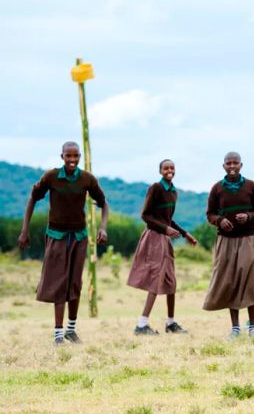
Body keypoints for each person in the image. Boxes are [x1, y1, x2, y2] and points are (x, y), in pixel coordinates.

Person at [18, 141, 109, 345]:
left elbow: (104, 203)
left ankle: (71, 330)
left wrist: (103, 228)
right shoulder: (51, 177)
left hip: (78, 237)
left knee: (75, 283)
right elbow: (33, 198)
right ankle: (58, 334)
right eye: (68, 156)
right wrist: (25, 230)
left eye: (76, 156)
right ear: (62, 157)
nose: (72, 160)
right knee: (59, 282)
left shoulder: (87, 179)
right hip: (57, 236)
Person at [127, 159, 198, 335]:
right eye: (166, 168)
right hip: (153, 238)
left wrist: (185, 234)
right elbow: (145, 215)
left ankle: (170, 323)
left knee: (170, 281)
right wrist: (165, 229)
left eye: (172, 167)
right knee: (155, 279)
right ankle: (141, 325)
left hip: (165, 239)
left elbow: (168, 219)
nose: (169, 170)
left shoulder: (173, 192)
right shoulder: (156, 188)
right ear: (160, 171)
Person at [203, 152, 254, 338]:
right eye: (228, 163)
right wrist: (219, 220)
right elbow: (210, 214)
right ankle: (235, 328)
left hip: (248, 239)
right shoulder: (217, 189)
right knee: (229, 281)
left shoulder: (251, 187)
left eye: (235, 163)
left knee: (248, 279)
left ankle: (252, 326)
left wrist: (249, 217)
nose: (232, 166)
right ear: (223, 166)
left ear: (241, 165)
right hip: (226, 241)